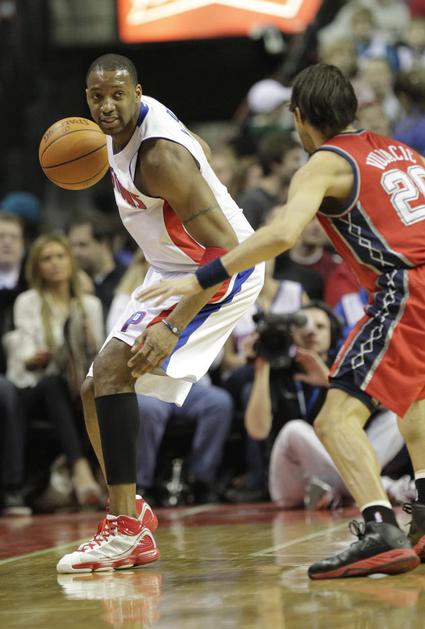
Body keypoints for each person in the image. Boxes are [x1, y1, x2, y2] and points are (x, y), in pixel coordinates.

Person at [139, 63, 425, 580]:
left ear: (298, 117)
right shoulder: (401, 151)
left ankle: (381, 527)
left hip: (407, 288)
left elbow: (283, 234)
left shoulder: (326, 162)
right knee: (413, 405)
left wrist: (203, 276)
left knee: (335, 420)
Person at [56, 54, 264, 573]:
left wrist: (173, 325)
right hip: (170, 266)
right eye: (97, 96)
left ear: (137, 92)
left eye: (117, 95)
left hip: (221, 269)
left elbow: (227, 251)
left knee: (111, 374)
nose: (107, 106)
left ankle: (125, 530)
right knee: (94, 388)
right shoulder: (120, 128)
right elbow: (204, 150)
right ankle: (130, 509)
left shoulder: (160, 158)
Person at [5, 234, 104, 509]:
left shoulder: (90, 305)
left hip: (78, 385)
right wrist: (35, 358)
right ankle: (80, 469)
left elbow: (97, 355)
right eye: (46, 259)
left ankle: (109, 474)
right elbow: (23, 357)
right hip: (35, 387)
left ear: (70, 261)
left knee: (100, 387)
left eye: (60, 256)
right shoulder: (28, 301)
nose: (55, 263)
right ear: (37, 267)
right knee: (53, 383)